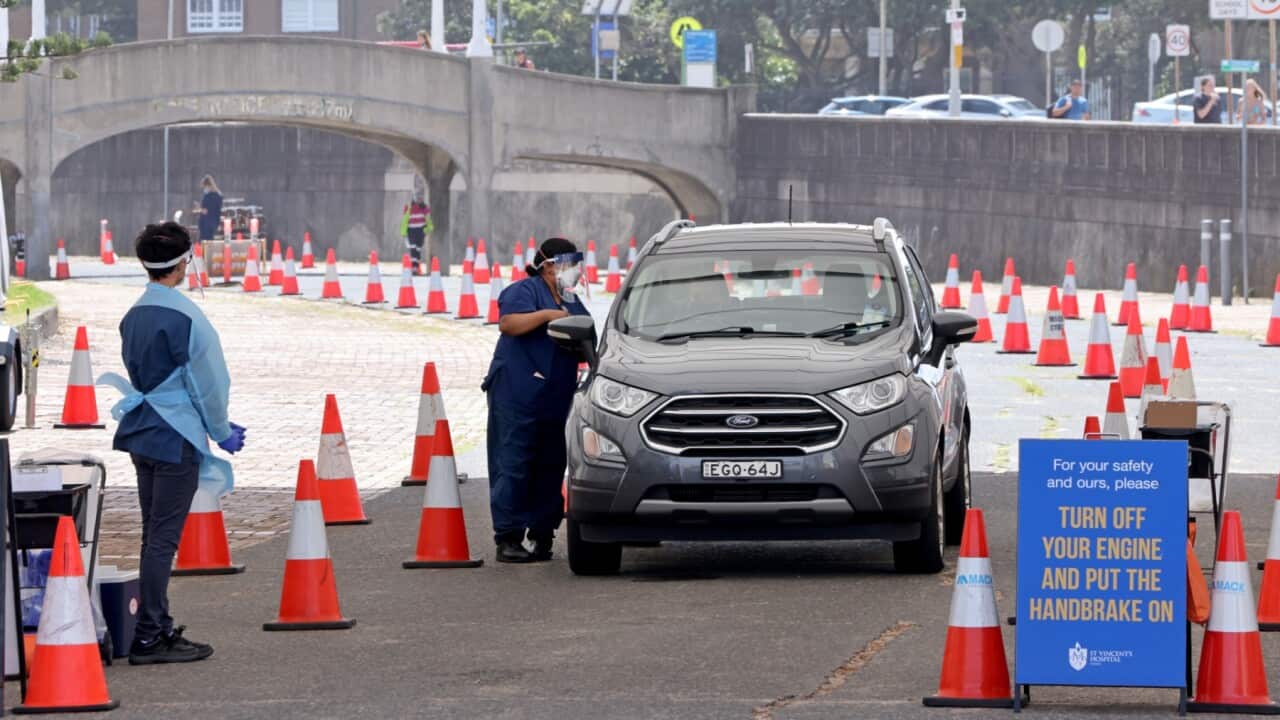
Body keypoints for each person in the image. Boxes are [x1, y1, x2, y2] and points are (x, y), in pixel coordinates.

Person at [100, 222, 246, 664]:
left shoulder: (133, 315)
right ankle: (151, 634)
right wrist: (220, 430)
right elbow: (208, 385)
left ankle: (153, 627)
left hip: (142, 430)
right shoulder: (188, 317)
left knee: (152, 535)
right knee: (163, 539)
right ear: (183, 263)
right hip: (176, 434)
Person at [482, 238, 590, 563]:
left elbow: (586, 332)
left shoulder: (571, 300)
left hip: (553, 398)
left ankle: (543, 532)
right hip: (517, 392)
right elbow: (509, 323)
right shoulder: (524, 291)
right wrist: (547, 315)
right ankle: (508, 537)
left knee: (550, 464)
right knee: (513, 461)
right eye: (569, 265)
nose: (574, 272)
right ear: (549, 265)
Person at [401, 195, 432, 273]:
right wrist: (403, 232)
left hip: (420, 231)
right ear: (414, 200)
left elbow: (428, 220)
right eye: (418, 198)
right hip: (411, 231)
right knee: (413, 248)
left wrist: (427, 229)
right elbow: (405, 220)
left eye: (420, 198)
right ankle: (414, 267)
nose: (419, 200)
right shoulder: (409, 208)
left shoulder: (424, 208)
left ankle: (416, 266)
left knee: (418, 249)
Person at [196, 175, 222, 241]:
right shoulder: (218, 195)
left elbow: (206, 210)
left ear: (208, 185)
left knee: (204, 243)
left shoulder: (208, 196)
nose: (204, 189)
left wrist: (200, 208)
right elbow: (218, 211)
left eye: (204, 187)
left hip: (206, 224)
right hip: (213, 223)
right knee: (210, 243)